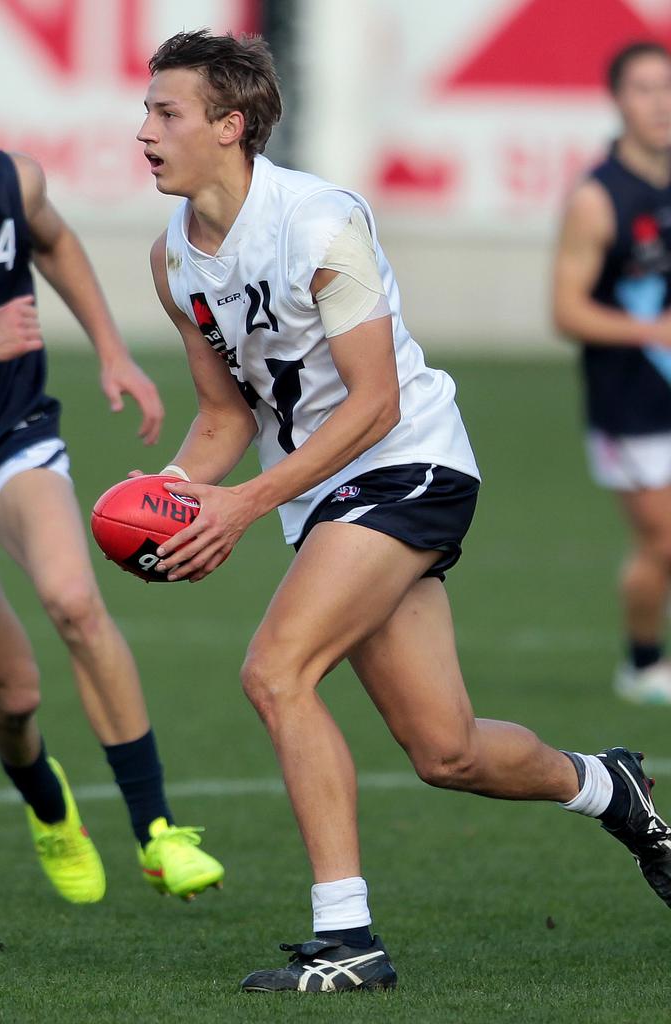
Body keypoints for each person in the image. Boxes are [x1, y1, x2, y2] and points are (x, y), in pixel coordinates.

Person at [139, 29, 671, 993]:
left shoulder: (319, 220)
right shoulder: (174, 259)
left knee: (275, 672)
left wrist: (247, 505)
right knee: (446, 750)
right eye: (147, 109)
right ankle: (611, 787)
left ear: (230, 124)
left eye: (164, 112)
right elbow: (227, 414)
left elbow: (376, 401)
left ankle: (349, 940)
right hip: (327, 496)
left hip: (407, 464)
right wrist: (168, 496)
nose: (144, 131)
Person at [0, 15, 223, 904]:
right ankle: (49, 810)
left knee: (77, 602)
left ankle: (158, 833)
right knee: (13, 697)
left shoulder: (11, 179)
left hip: (12, 441)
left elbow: (56, 241)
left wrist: (113, 350)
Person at [554, 42, 671, 705]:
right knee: (663, 539)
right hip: (628, 403)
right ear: (620, 100)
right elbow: (565, 309)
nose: (661, 103)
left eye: (668, 87)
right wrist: (651, 330)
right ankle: (644, 662)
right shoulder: (599, 198)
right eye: (646, 89)